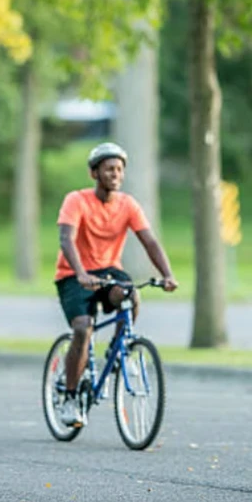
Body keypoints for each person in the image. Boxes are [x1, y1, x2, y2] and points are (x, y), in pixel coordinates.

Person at [54, 142, 178, 427]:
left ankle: (118, 352)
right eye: (109, 169)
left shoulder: (128, 204)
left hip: (109, 272)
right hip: (73, 274)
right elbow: (66, 239)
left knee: (130, 294)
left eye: (119, 169)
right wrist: (81, 272)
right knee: (83, 328)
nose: (115, 174)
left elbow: (149, 241)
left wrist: (167, 274)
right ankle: (71, 398)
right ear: (94, 173)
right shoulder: (76, 200)